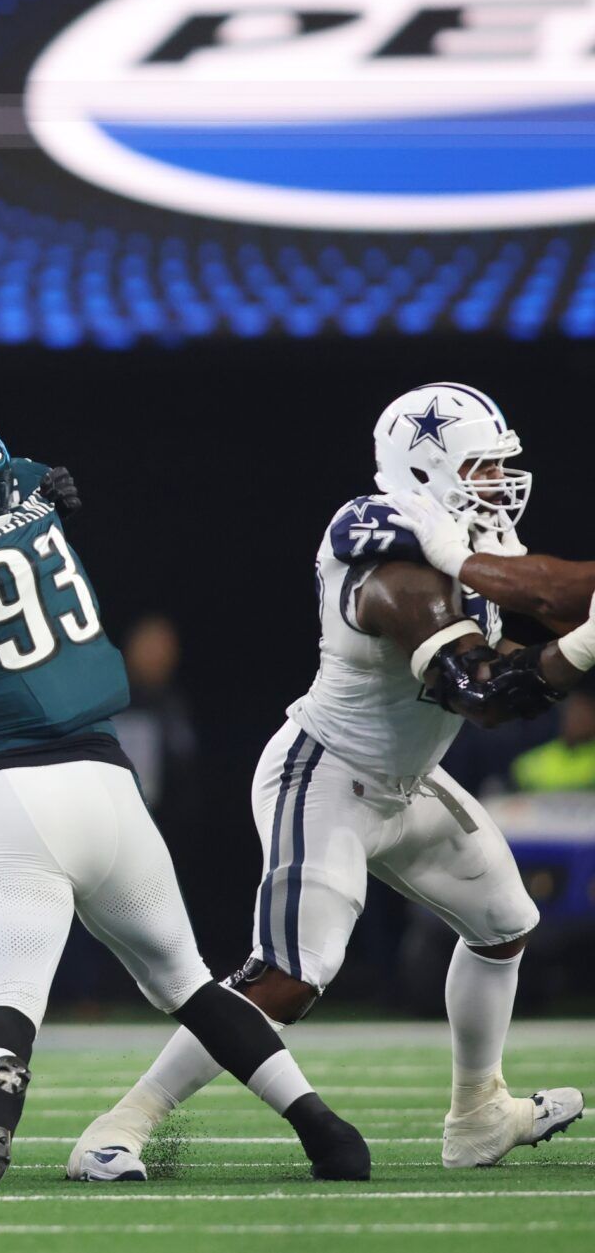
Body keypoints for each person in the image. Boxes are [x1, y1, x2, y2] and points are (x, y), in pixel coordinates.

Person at [0, 413, 371, 1187]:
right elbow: (28, 476)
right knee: (191, 982)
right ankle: (324, 1127)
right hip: (110, 784)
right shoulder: (37, 510)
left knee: (8, 1000)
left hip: (7, 792)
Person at [74, 383, 594, 1179]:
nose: (499, 483)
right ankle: (123, 1122)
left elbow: (556, 594)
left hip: (406, 779)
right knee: (288, 977)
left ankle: (479, 1111)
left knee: (503, 925)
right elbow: (489, 696)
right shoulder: (396, 576)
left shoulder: (457, 543)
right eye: (482, 466)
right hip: (326, 778)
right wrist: (585, 646)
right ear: (428, 472)